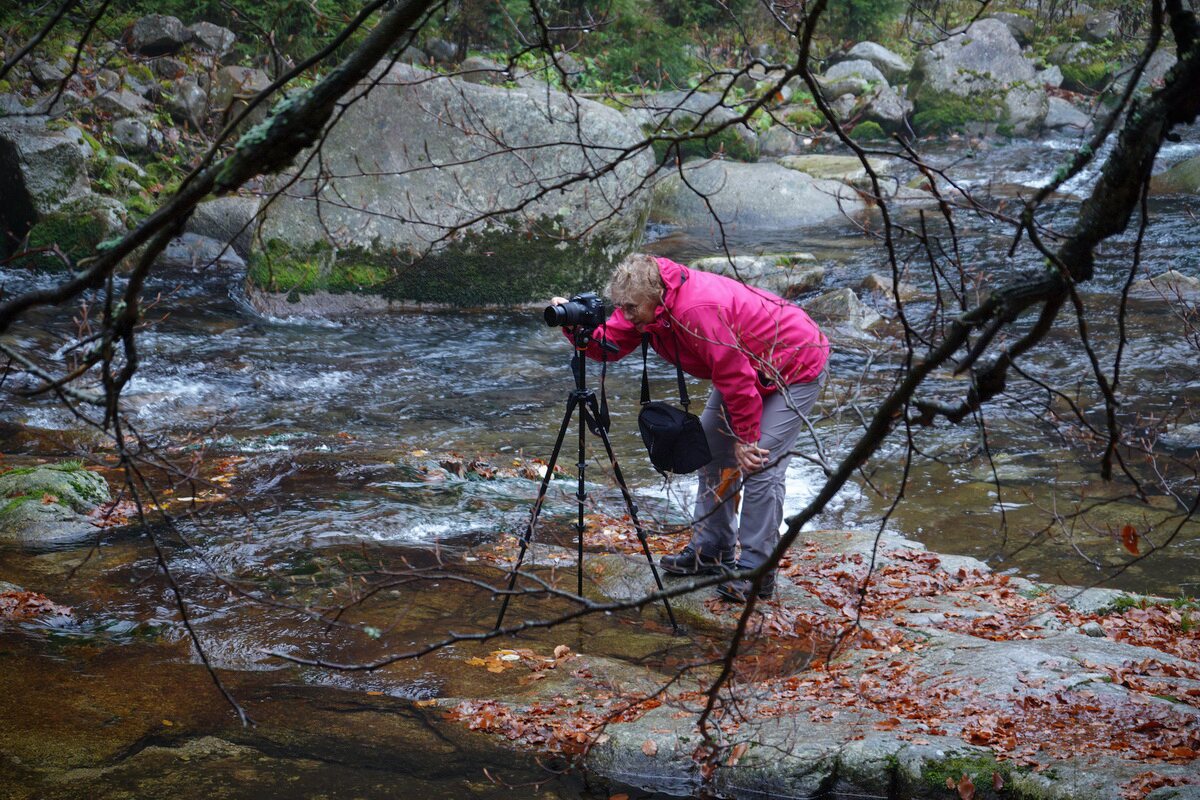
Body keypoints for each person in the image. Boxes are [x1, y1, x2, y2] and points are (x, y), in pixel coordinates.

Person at [552, 253, 828, 602]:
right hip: (748, 366)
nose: (627, 315)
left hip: (794, 362)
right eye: (622, 307)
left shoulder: (696, 310)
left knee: (759, 462)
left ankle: (757, 571)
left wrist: (746, 437)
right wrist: (573, 326)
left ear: (657, 298)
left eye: (632, 308)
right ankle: (712, 550)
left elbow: (735, 377)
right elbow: (609, 345)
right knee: (713, 453)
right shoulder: (645, 306)